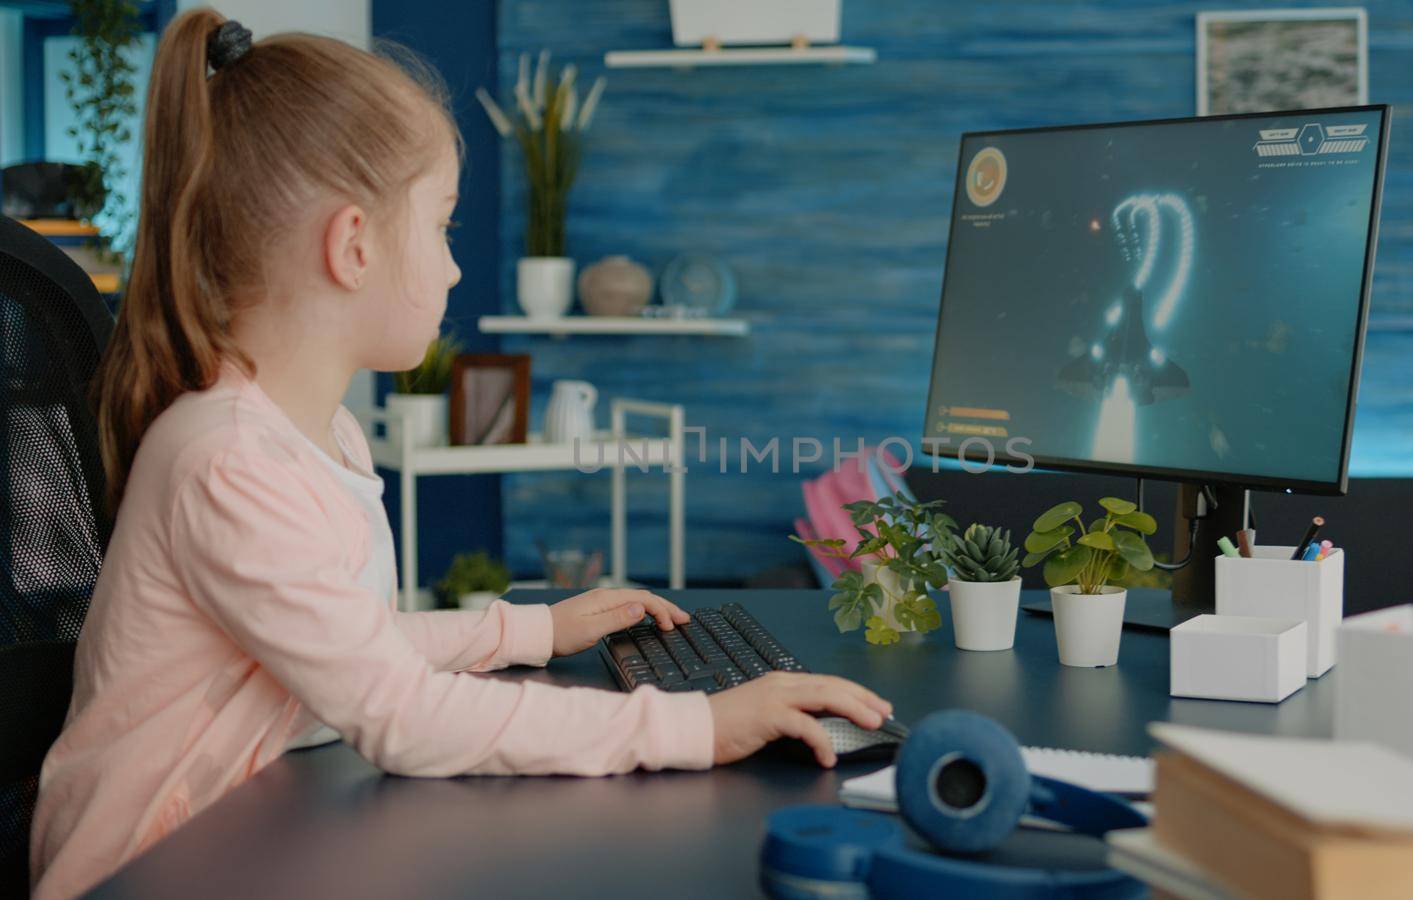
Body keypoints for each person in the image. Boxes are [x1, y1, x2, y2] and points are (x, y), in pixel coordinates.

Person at [29, 10, 890, 898]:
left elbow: (352, 648)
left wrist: (531, 629)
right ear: (354, 245)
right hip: (144, 864)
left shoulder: (315, 433)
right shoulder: (230, 462)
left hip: (245, 826)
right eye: (440, 227)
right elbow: (399, 713)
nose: (453, 269)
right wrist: (694, 727)